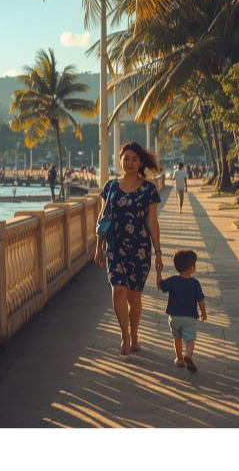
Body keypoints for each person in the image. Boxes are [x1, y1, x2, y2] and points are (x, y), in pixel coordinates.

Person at [95, 142, 163, 356]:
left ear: (141, 163)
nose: (130, 163)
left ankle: (134, 334)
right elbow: (102, 217)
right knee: (118, 290)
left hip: (140, 250)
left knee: (134, 297)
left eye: (134, 159)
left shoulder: (149, 189)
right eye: (126, 159)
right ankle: (124, 336)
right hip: (115, 248)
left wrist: (158, 252)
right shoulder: (110, 187)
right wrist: (98, 247)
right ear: (120, 160)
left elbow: (152, 221)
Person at [156, 249, 207, 373]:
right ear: (191, 268)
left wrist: (159, 272)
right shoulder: (195, 283)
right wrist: (204, 313)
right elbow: (200, 300)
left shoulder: (173, 280)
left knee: (177, 338)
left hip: (174, 317)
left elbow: (159, 285)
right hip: (189, 318)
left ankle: (179, 359)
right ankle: (188, 354)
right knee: (190, 338)